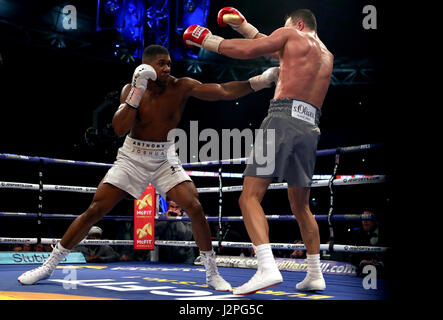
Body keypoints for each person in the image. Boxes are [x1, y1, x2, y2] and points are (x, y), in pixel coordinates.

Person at [17, 44, 279, 291]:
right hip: (133, 156)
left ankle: (212, 272)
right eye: (161, 64)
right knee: (95, 210)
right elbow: (119, 128)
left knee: (195, 206)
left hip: (164, 156)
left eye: (169, 64)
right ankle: (47, 267)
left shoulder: (180, 86)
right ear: (147, 66)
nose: (167, 68)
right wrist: (137, 89)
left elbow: (223, 91)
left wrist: (260, 81)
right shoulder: (131, 90)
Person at [183, 7, 333, 294]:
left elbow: (252, 50)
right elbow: (270, 47)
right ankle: (315, 274)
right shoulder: (326, 54)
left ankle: (266, 268)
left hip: (282, 117)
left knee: (249, 196)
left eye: (284, 26)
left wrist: (207, 40)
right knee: (301, 206)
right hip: (310, 126)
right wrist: (244, 26)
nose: (281, 31)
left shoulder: (290, 34)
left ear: (297, 24)